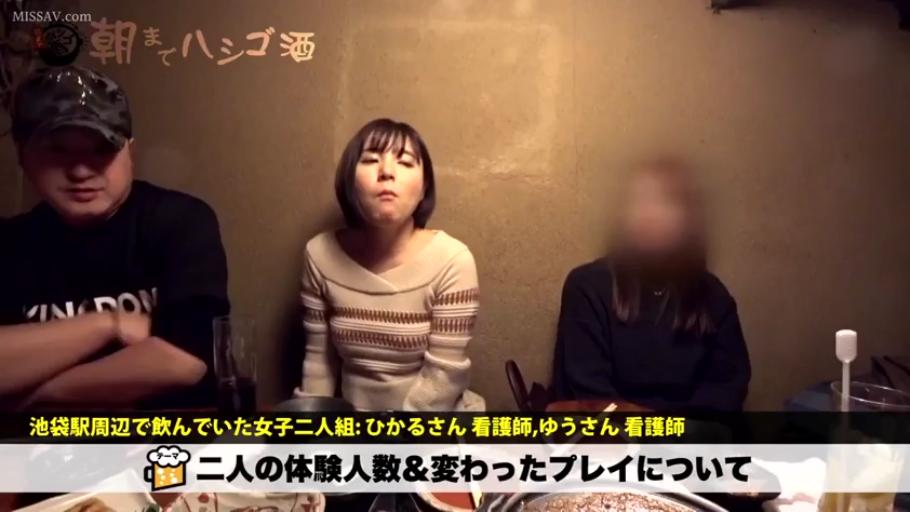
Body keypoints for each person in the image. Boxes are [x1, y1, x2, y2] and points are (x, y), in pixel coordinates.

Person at [0, 66, 230, 410]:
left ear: (129, 153)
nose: (80, 170)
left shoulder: (178, 221)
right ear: (23, 157)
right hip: (45, 441)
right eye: (58, 150)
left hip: (168, 436)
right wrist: (109, 323)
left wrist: (35, 394)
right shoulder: (10, 243)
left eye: (101, 149)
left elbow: (184, 360)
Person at [295, 118, 484, 412]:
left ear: (424, 188)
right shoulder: (319, 255)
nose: (386, 171)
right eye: (370, 160)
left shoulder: (453, 261)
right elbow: (318, 363)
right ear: (349, 182)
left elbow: (443, 378)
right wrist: (309, 427)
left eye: (405, 163)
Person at [551, 157, 751, 412]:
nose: (651, 214)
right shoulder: (587, 287)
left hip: (693, 433)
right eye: (640, 200)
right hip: (613, 433)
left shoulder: (713, 295)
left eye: (666, 202)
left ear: (688, 219)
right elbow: (591, 393)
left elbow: (727, 392)